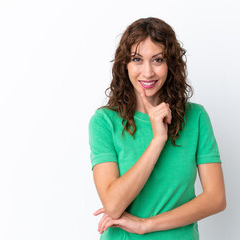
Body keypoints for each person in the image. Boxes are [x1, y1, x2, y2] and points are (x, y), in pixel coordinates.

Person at [88, 17, 226, 239]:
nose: (148, 72)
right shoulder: (105, 121)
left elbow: (216, 198)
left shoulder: (196, 117)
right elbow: (113, 206)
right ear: (125, 65)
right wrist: (157, 140)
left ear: (171, 64)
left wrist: (146, 225)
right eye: (137, 59)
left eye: (158, 60)